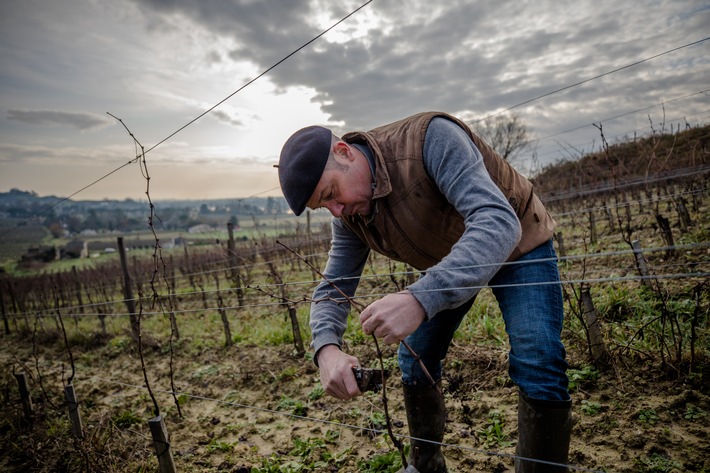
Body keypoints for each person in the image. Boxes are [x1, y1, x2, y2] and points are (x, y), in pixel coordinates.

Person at [278, 111, 572, 473]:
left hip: (518, 242)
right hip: (450, 259)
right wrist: (326, 348)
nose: (336, 212)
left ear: (344, 152)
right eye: (323, 207)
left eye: (330, 194)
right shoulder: (351, 215)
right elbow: (335, 285)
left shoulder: (429, 140)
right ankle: (426, 466)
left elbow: (496, 222)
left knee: (537, 355)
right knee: (414, 356)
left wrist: (419, 298)